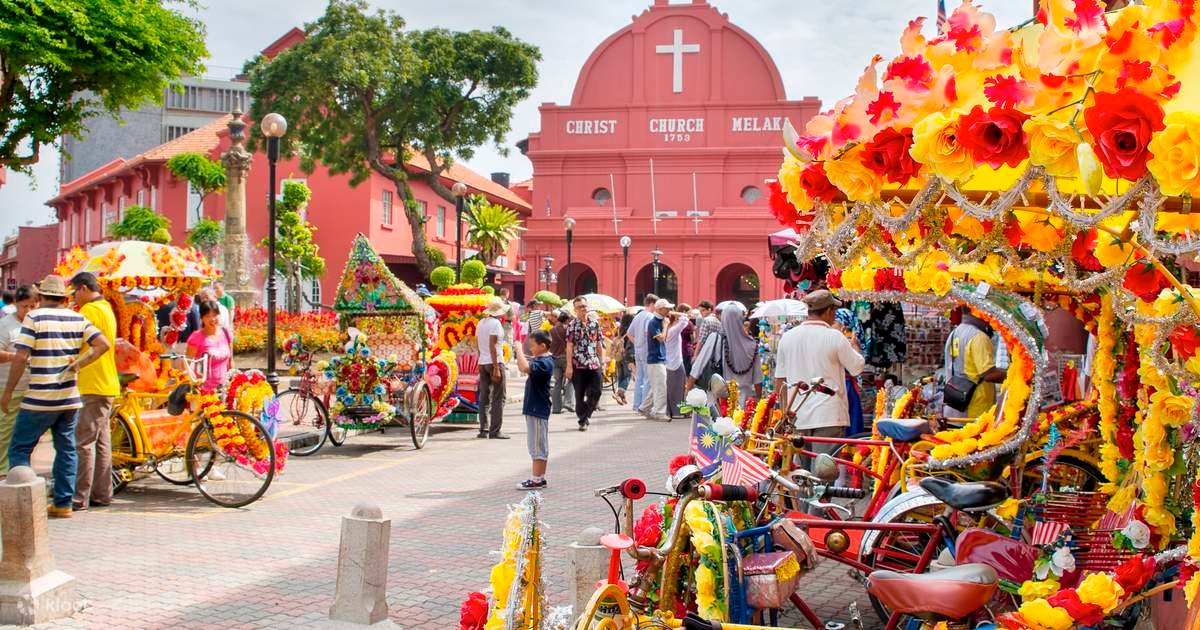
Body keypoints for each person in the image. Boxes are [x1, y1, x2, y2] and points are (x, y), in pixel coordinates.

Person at [2, 275, 111, 519]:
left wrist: (8, 391)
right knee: (66, 449)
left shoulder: (34, 317)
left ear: (40, 297)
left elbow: (20, 357)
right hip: (69, 398)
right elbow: (102, 344)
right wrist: (79, 364)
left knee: (19, 448)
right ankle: (63, 503)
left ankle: (22, 503)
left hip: (39, 398)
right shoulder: (78, 317)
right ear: (64, 297)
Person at [773, 290, 866, 483]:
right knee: (823, 477)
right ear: (829, 311)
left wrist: (784, 413)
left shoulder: (788, 338)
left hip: (797, 415)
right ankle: (816, 513)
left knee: (803, 474)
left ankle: (805, 512)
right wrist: (855, 348)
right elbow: (856, 367)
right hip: (828, 415)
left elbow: (779, 381)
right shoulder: (835, 337)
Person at [69, 273, 120, 511]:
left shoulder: (89, 311)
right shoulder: (106, 308)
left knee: (84, 443)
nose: (74, 298)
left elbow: (76, 343)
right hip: (106, 383)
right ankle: (102, 494)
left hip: (91, 383)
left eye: (74, 293)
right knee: (101, 443)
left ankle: (79, 497)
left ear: (82, 288)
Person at [688, 301, 761, 404]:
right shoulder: (752, 344)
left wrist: (688, 393)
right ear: (741, 319)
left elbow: (697, 368)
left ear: (723, 319)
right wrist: (759, 399)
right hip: (744, 401)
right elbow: (758, 378)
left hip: (719, 400)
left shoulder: (715, 339)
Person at [942, 309, 1006, 418]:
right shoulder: (979, 336)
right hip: (974, 410)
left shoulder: (955, 332)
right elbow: (989, 375)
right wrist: (1016, 375)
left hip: (954, 406)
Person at [0, 286, 35, 475]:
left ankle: (20, 471)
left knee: (25, 435)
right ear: (16, 305)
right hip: (7, 386)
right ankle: (2, 473)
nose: (28, 311)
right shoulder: (6, 325)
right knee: (5, 433)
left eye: (31, 306)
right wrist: (17, 357)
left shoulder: (36, 323)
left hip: (31, 389)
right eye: (24, 307)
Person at [514, 330, 554, 490]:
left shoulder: (545, 362)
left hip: (538, 408)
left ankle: (537, 479)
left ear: (543, 346)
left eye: (532, 345)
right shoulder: (541, 359)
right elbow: (524, 365)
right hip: (535, 408)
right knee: (536, 445)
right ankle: (539, 478)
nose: (530, 349)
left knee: (538, 446)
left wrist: (518, 349)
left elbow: (525, 367)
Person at [566, 297, 606, 431]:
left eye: (584, 306)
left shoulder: (594, 324)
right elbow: (569, 347)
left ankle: (586, 414)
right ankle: (582, 420)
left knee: (597, 390)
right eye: (579, 307)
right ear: (575, 310)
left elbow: (599, 344)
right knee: (579, 394)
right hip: (578, 364)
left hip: (594, 362)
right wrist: (569, 366)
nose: (583, 309)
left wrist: (602, 362)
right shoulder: (572, 326)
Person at [476, 297, 509, 439]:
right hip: (494, 362)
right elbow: (493, 346)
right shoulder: (495, 324)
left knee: (484, 397)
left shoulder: (481, 323)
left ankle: (483, 429)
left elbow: (478, 345)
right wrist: (496, 367)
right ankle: (495, 430)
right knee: (498, 397)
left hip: (483, 362)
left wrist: (481, 360)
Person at [186, 300, 234, 391]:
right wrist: (195, 384)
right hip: (204, 390)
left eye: (215, 315)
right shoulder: (196, 337)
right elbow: (186, 364)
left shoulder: (226, 333)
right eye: (208, 316)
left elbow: (231, 362)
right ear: (202, 318)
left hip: (224, 389)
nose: (212, 319)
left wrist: (232, 385)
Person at [638, 298, 672, 421]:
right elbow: (661, 338)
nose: (669, 310)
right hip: (656, 359)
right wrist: (666, 326)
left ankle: (644, 407)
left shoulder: (659, 321)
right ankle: (659, 412)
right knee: (661, 387)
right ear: (660, 309)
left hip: (657, 359)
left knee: (656, 387)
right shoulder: (654, 322)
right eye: (666, 308)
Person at [625, 294, 658, 411]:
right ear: (652, 304)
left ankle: (637, 404)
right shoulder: (650, 316)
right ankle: (644, 406)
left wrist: (637, 342)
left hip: (638, 349)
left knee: (639, 378)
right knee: (647, 379)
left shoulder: (638, 316)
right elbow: (647, 333)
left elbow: (629, 333)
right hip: (647, 350)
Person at [664, 306, 691, 420]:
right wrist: (674, 312)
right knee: (678, 388)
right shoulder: (673, 330)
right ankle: (677, 412)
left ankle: (671, 411)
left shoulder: (666, 330)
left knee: (671, 388)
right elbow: (685, 319)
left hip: (669, 362)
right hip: (676, 362)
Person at [549, 310, 575, 414]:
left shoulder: (551, 330)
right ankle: (568, 403)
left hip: (554, 358)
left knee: (557, 383)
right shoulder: (567, 330)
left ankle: (556, 408)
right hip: (566, 358)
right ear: (567, 320)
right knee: (571, 380)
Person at [614, 311, 636, 405]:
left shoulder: (620, 329)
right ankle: (618, 394)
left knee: (621, 376)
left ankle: (622, 396)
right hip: (627, 355)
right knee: (628, 376)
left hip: (619, 356)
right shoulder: (631, 330)